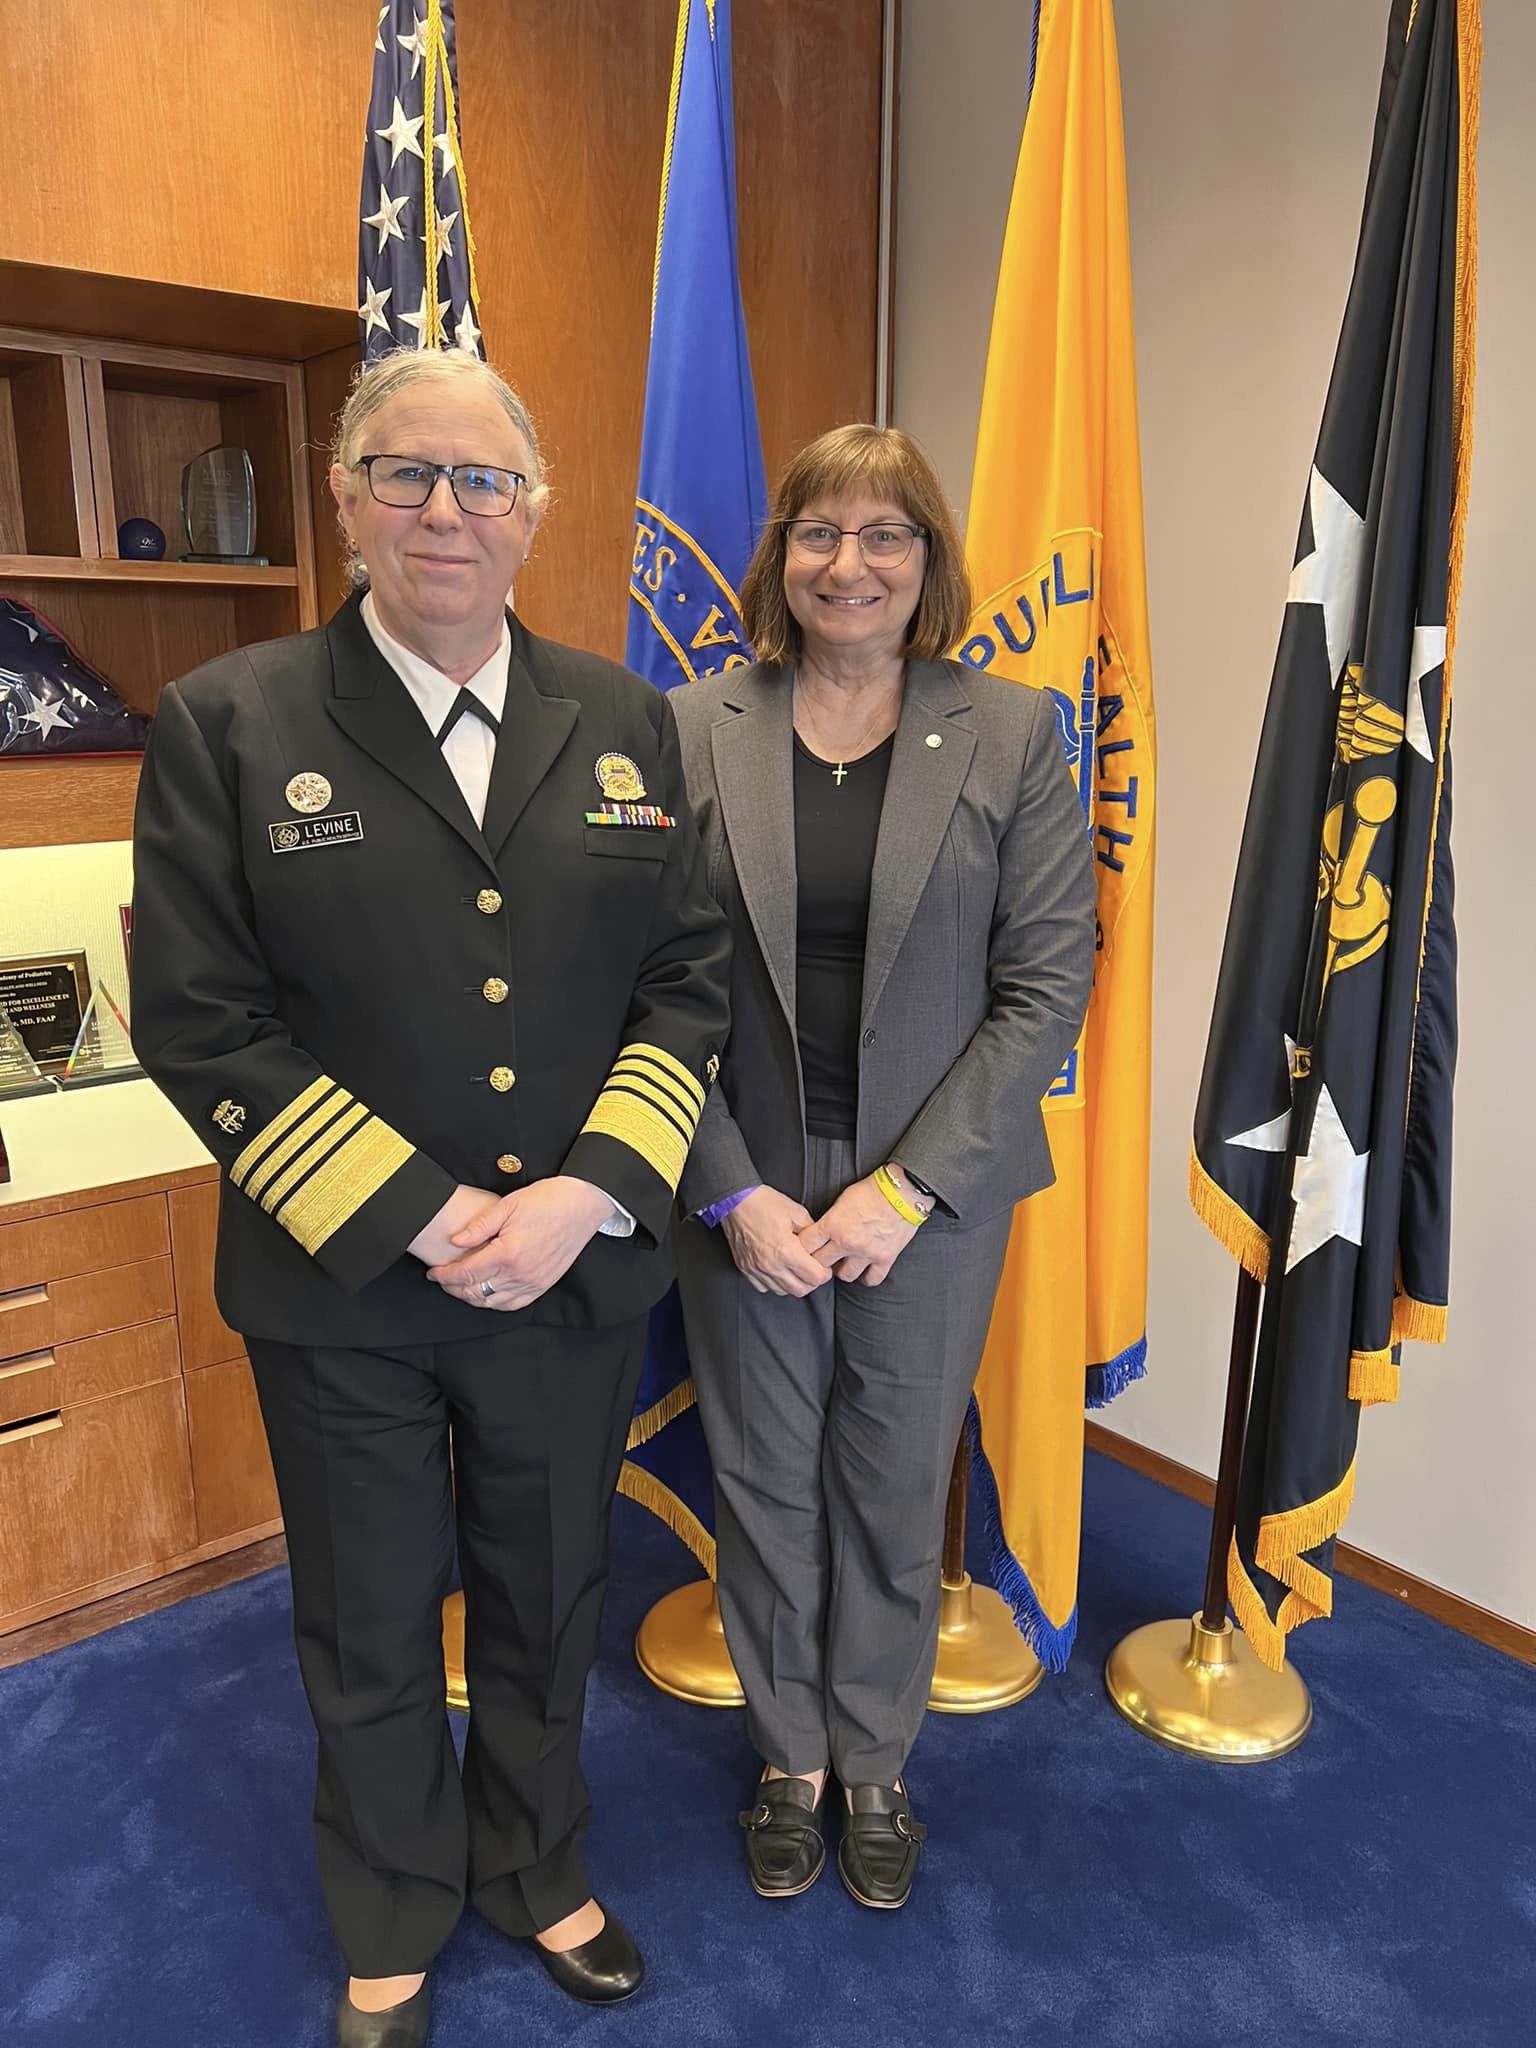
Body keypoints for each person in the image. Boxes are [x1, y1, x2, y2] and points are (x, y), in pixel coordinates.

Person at [130, 348, 729, 2048]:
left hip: (570, 1274)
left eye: (483, 481)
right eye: (405, 474)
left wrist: (589, 1194)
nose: (444, 511)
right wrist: (418, 1212)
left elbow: (686, 984)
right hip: (346, 1286)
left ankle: (541, 1867)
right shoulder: (232, 719)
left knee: (550, 1595)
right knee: (370, 1604)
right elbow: (198, 1013)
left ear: (535, 512)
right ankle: (390, 1899)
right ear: (342, 497)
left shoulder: (624, 720)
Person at [670, 424, 1095, 1911]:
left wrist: (906, 1189)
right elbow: (641, 978)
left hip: (933, 1187)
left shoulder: (1015, 731)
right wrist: (728, 1186)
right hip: (748, 1188)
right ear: (778, 556)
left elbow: (1048, 985)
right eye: (820, 532)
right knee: (763, 1482)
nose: (850, 563)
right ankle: (789, 1761)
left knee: (893, 1482)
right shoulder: (689, 724)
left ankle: (875, 1764)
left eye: (886, 534)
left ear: (930, 563)